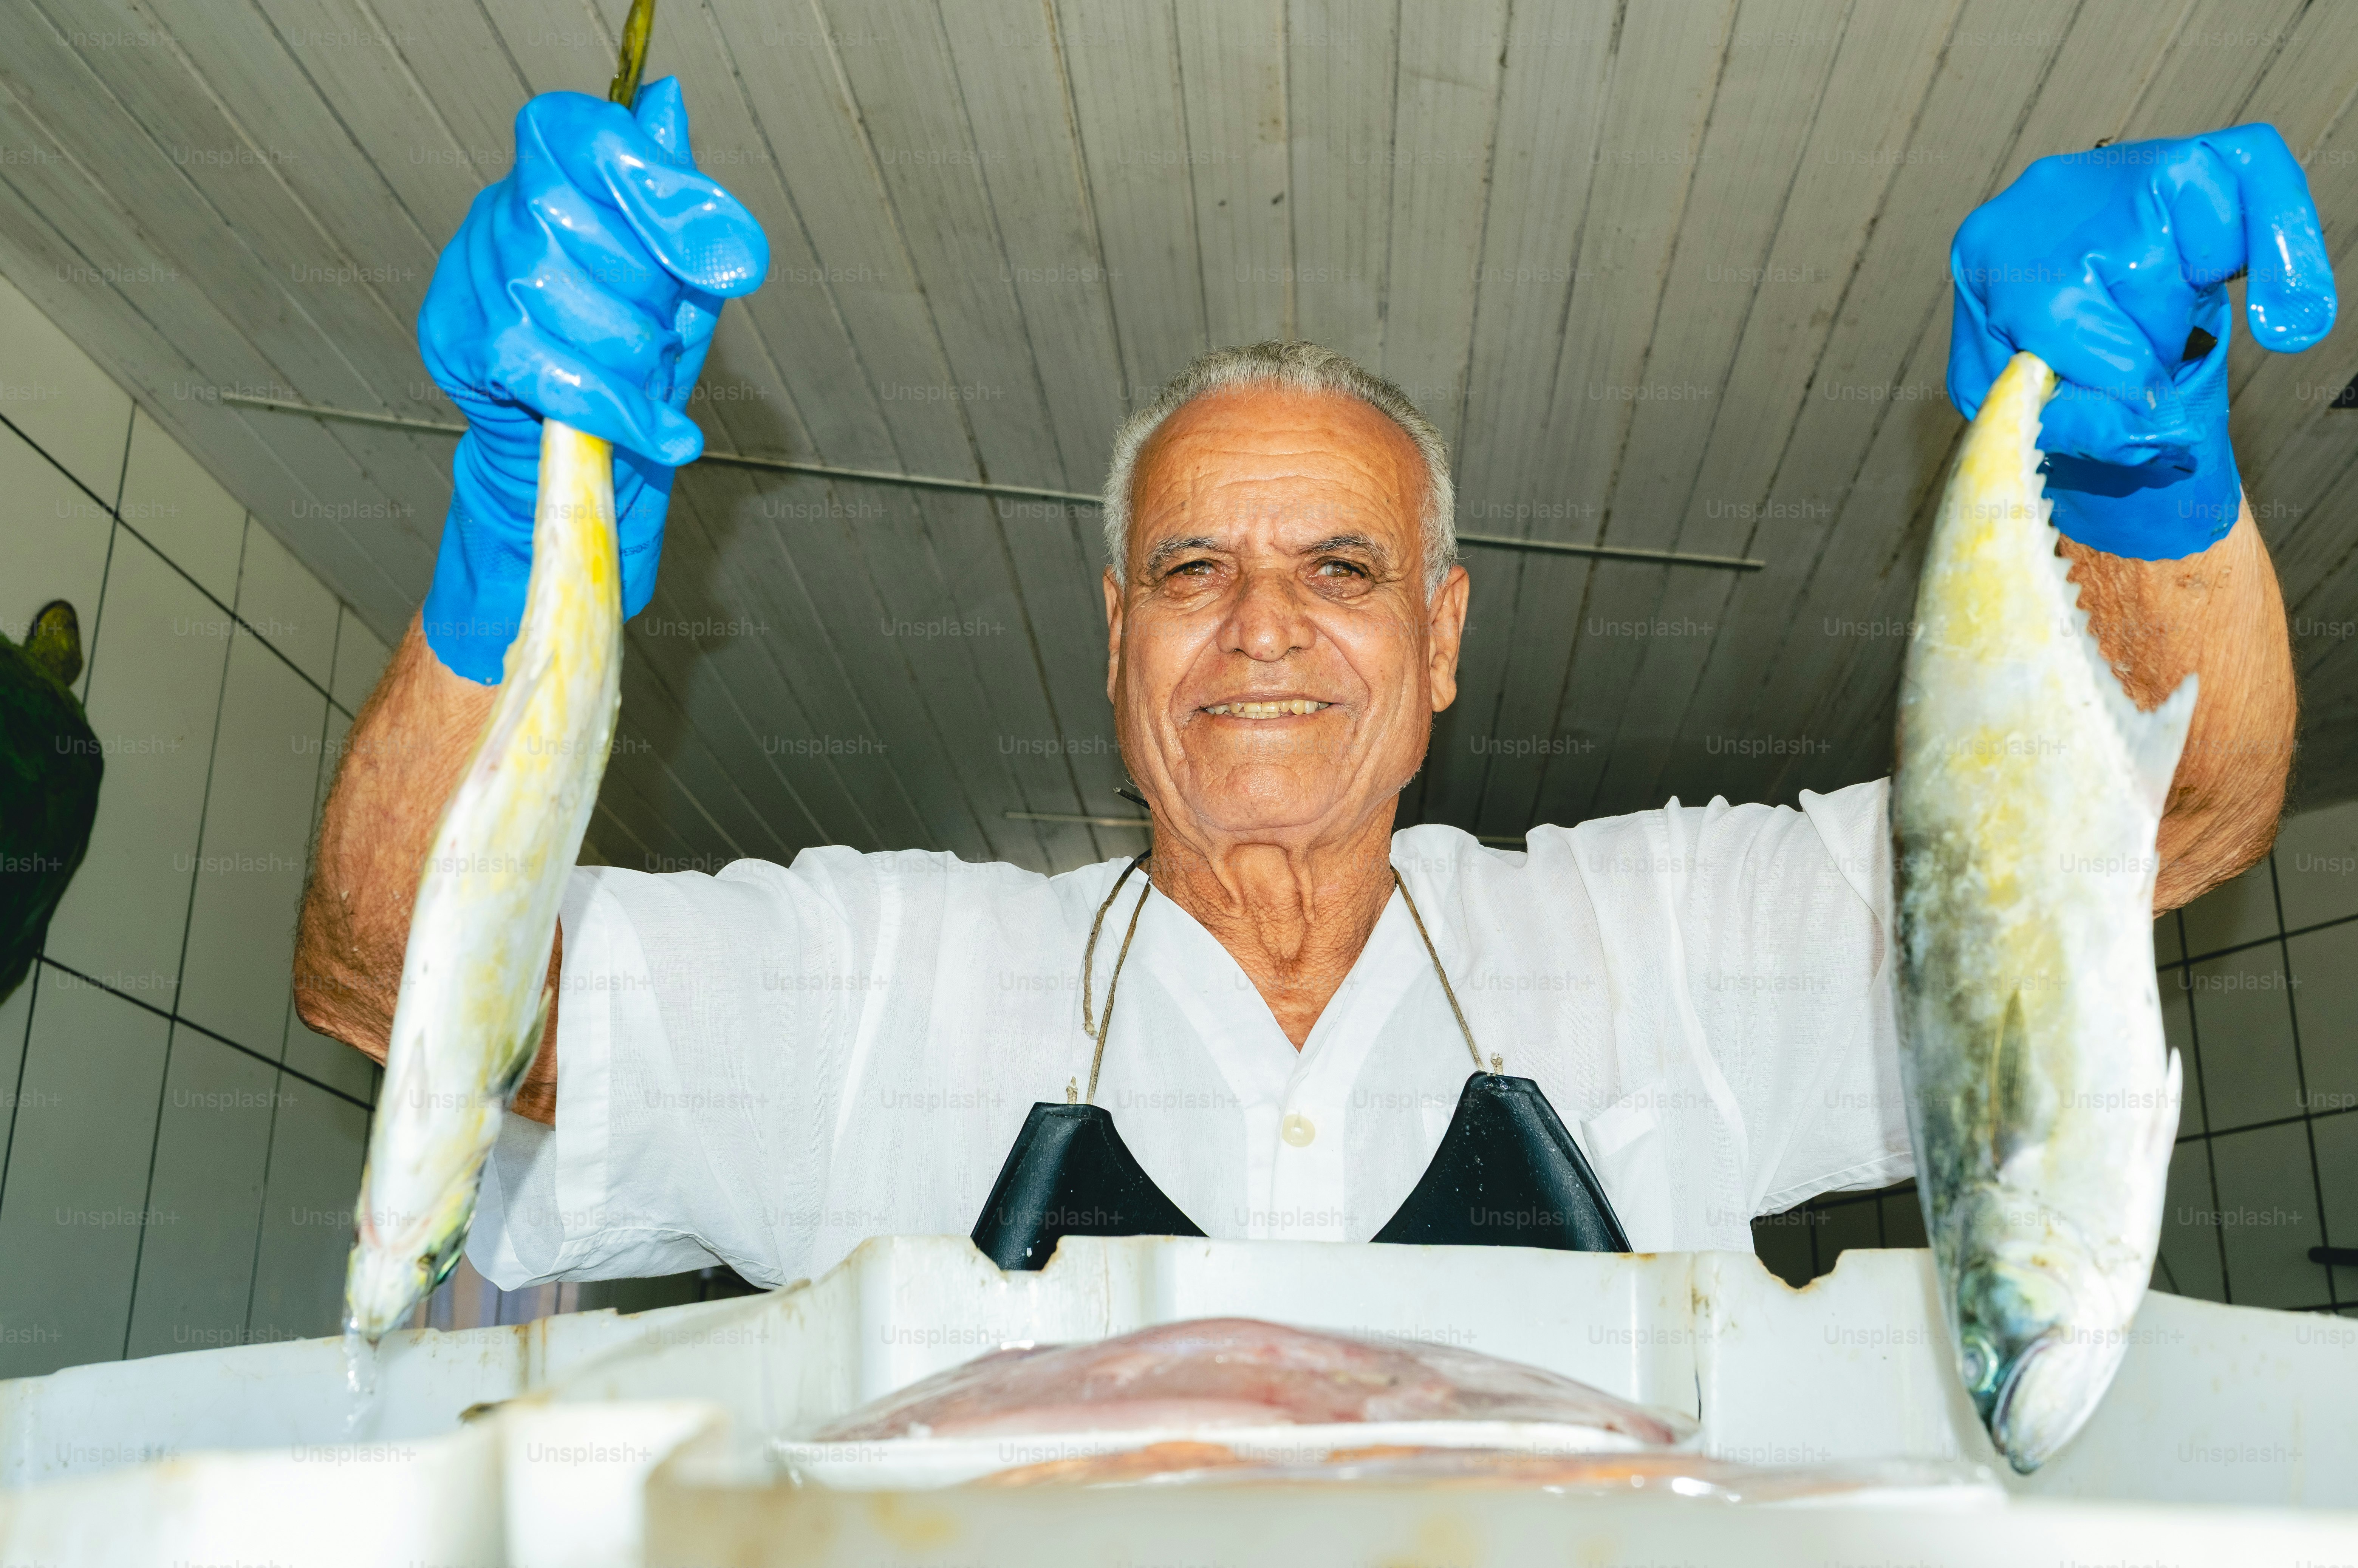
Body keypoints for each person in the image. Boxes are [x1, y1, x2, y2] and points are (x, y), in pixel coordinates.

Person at [293, 86, 2326, 1292]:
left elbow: (2159, 823)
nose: (1261, 628)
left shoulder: (1672, 950)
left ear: (1442, 638)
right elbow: (396, 982)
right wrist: (514, 538)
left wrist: (2134, 471)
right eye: (1193, 570)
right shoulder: (879, 982)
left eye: (1339, 570)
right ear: (1113, 641)